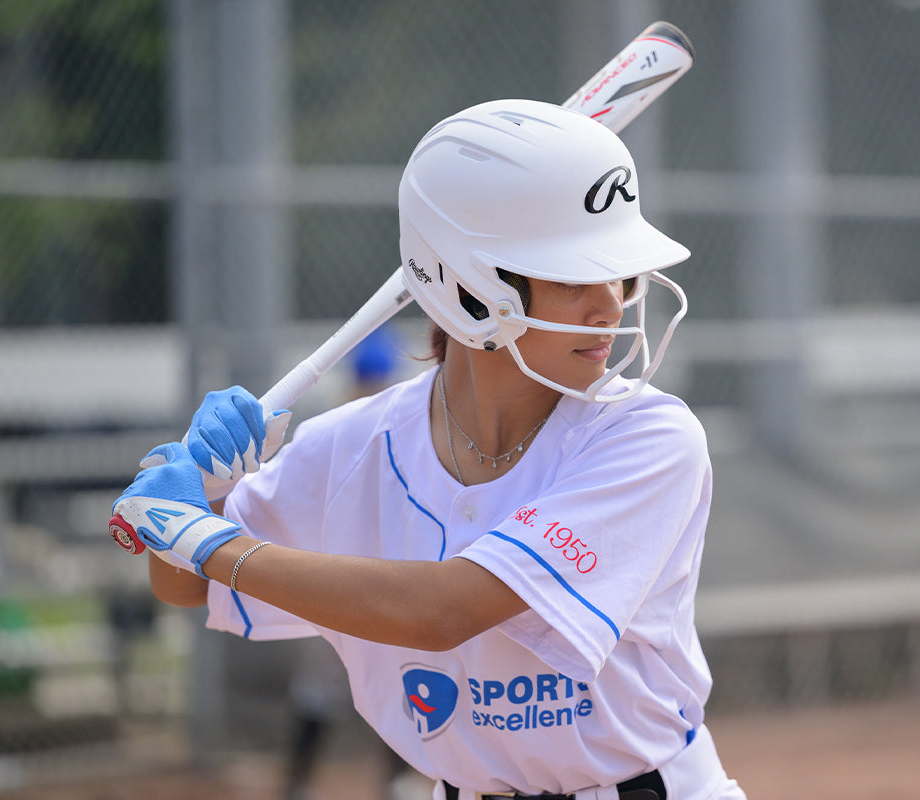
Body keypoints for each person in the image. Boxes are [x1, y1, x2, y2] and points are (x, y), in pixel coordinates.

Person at [114, 99, 746, 800]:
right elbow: (184, 585)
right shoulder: (353, 446)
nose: (611, 305)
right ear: (471, 290)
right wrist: (198, 499)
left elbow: (443, 613)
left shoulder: (647, 437)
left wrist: (204, 539)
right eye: (573, 277)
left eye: (622, 275)